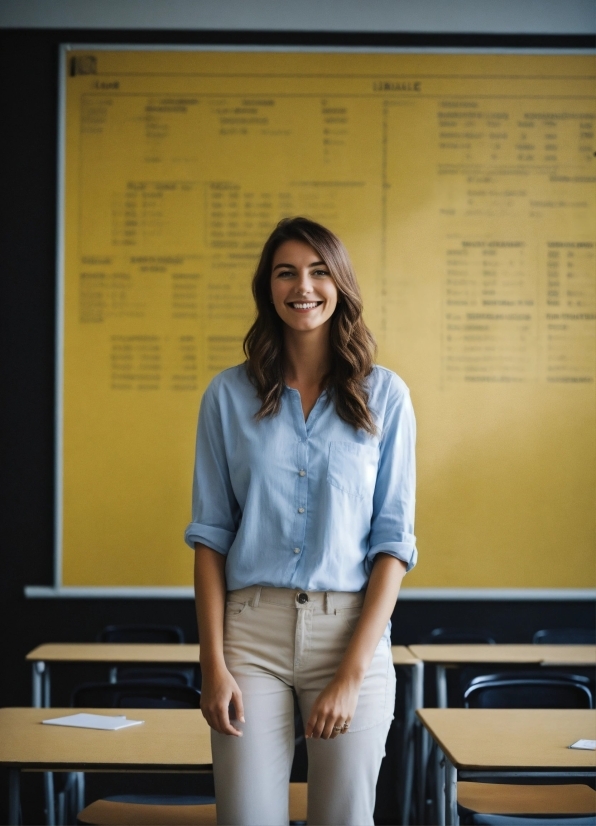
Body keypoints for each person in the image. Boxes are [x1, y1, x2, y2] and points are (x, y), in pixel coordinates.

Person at [185, 217, 417, 826]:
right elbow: (210, 539)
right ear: (268, 287)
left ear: (339, 283)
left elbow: (393, 547)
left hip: (349, 633)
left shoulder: (385, 396)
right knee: (245, 818)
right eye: (286, 272)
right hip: (249, 636)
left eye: (318, 271)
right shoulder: (226, 396)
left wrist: (350, 674)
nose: (303, 286)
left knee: (343, 819)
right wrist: (212, 665)